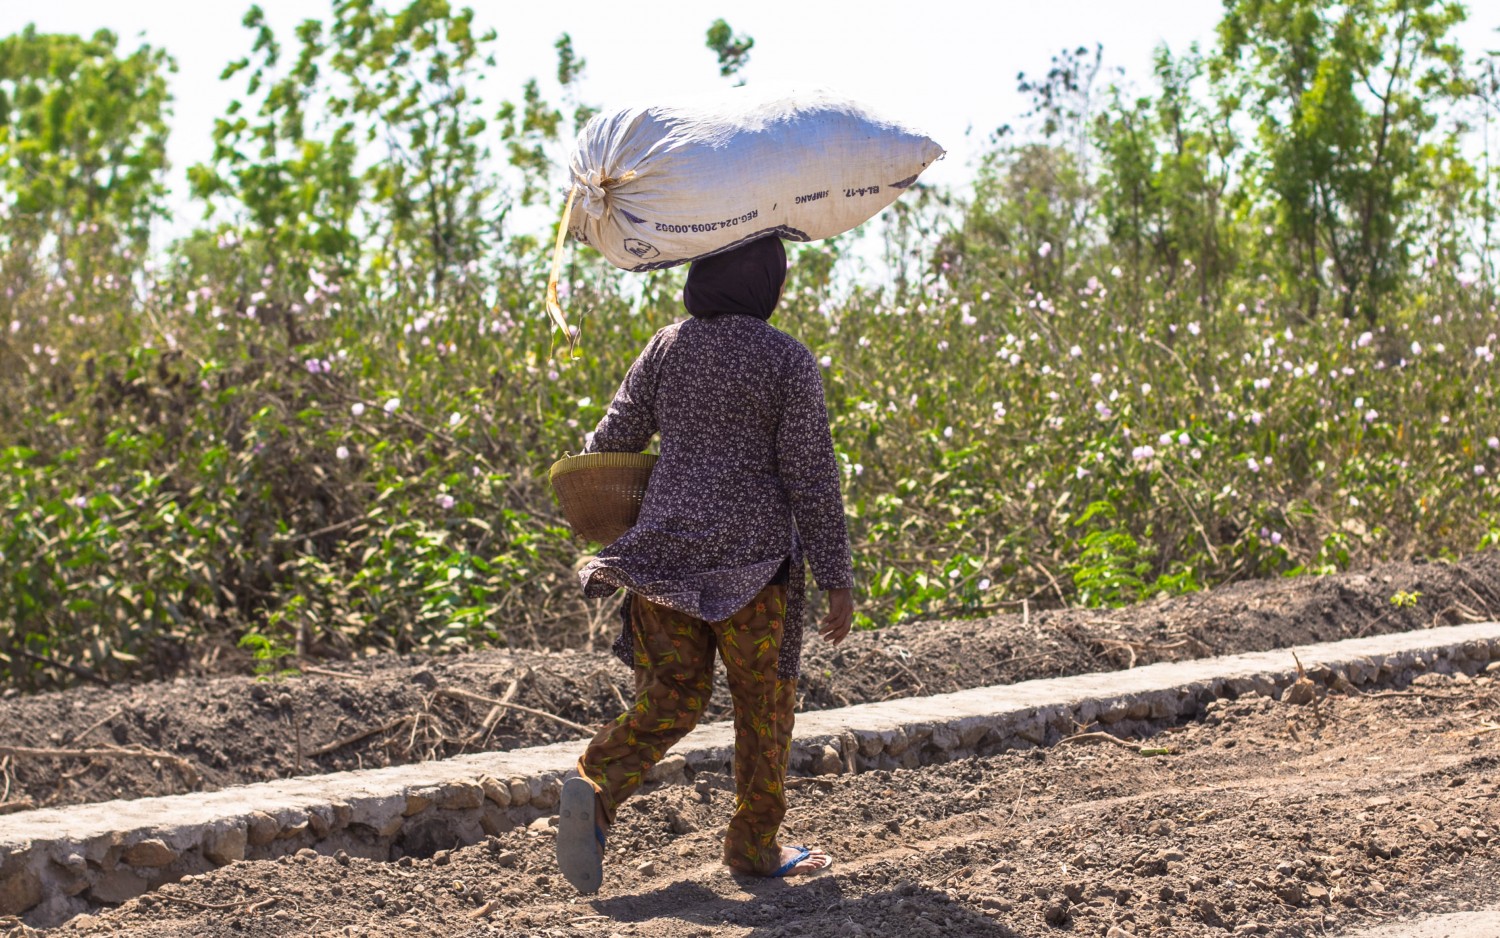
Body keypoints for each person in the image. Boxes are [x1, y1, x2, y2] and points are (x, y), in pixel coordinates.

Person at [556, 235, 855, 894]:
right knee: (763, 711)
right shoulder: (787, 360)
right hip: (756, 570)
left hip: (662, 561)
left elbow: (610, 444)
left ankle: (596, 782)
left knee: (672, 696)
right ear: (768, 287)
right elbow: (811, 476)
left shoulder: (667, 346)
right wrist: (837, 575)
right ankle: (754, 846)